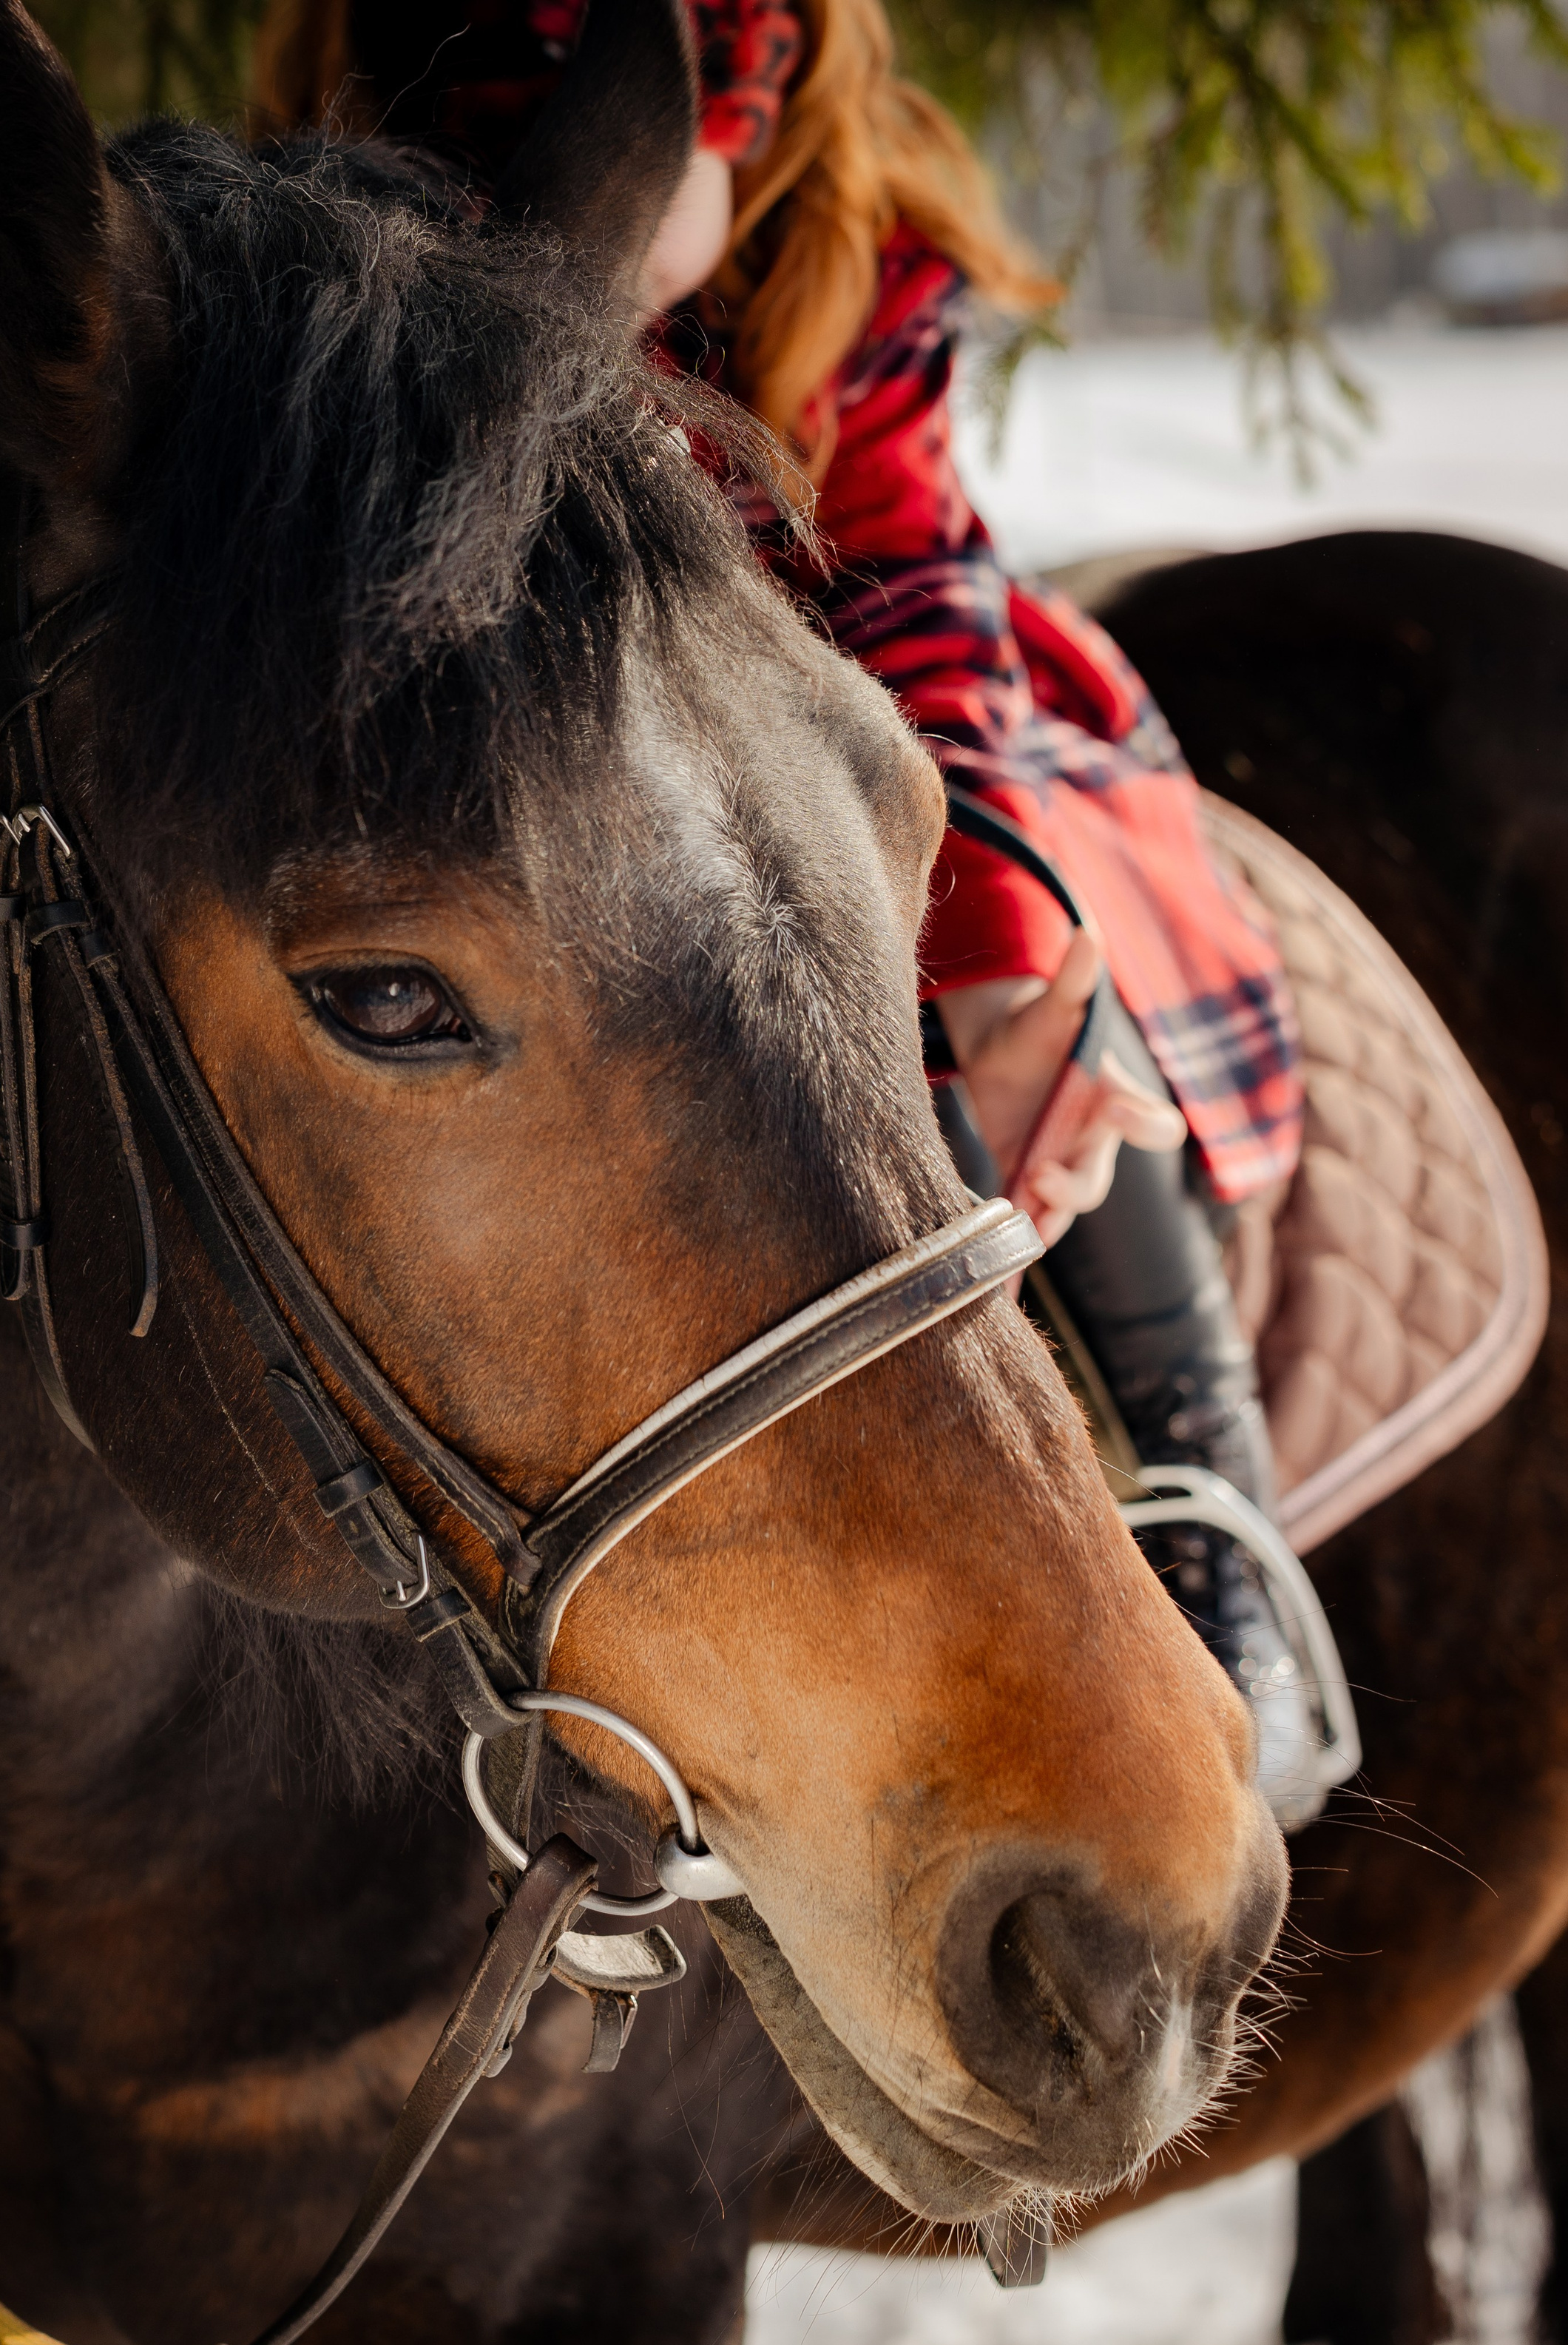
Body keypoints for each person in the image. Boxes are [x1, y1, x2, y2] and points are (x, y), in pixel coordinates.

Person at [251, 0, 1325, 1820]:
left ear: (744, 124)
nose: (570, 223)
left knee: (1064, 1006)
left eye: (639, 165)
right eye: (498, 174)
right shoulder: (358, 285)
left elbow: (907, 599)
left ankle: (1203, 1491)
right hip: (556, 764)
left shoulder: (846, 272)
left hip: (849, 716)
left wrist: (987, 973)